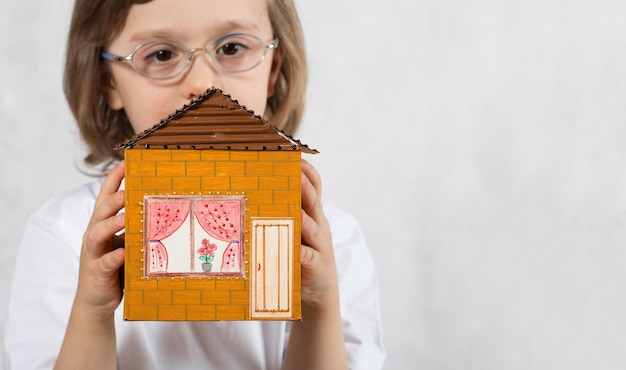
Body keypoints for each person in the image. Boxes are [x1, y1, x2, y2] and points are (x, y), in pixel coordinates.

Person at [4, 0, 385, 369]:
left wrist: (320, 304)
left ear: (273, 69)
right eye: (161, 55)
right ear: (108, 83)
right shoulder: (63, 233)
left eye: (232, 47)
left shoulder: (328, 241)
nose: (203, 85)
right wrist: (92, 310)